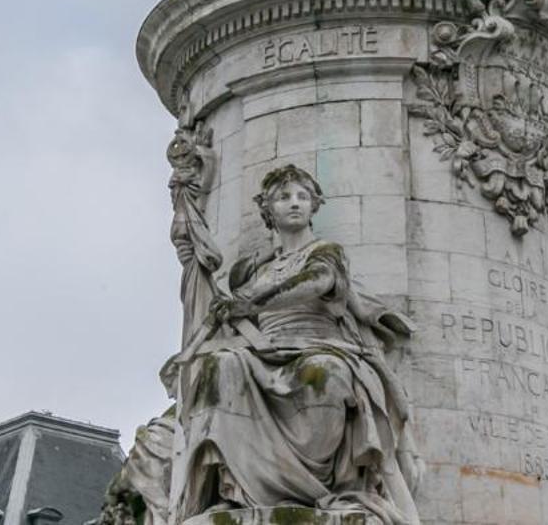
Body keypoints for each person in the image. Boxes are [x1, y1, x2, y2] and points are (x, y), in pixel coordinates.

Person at [173, 165, 421, 524]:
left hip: (318, 344)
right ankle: (236, 487)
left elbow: (320, 280)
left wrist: (252, 303)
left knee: (326, 374)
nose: (295, 204)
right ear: (267, 210)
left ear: (314, 206)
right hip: (262, 350)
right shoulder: (251, 269)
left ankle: (318, 487)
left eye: (303, 197)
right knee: (219, 367)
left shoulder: (325, 252)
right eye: (284, 197)